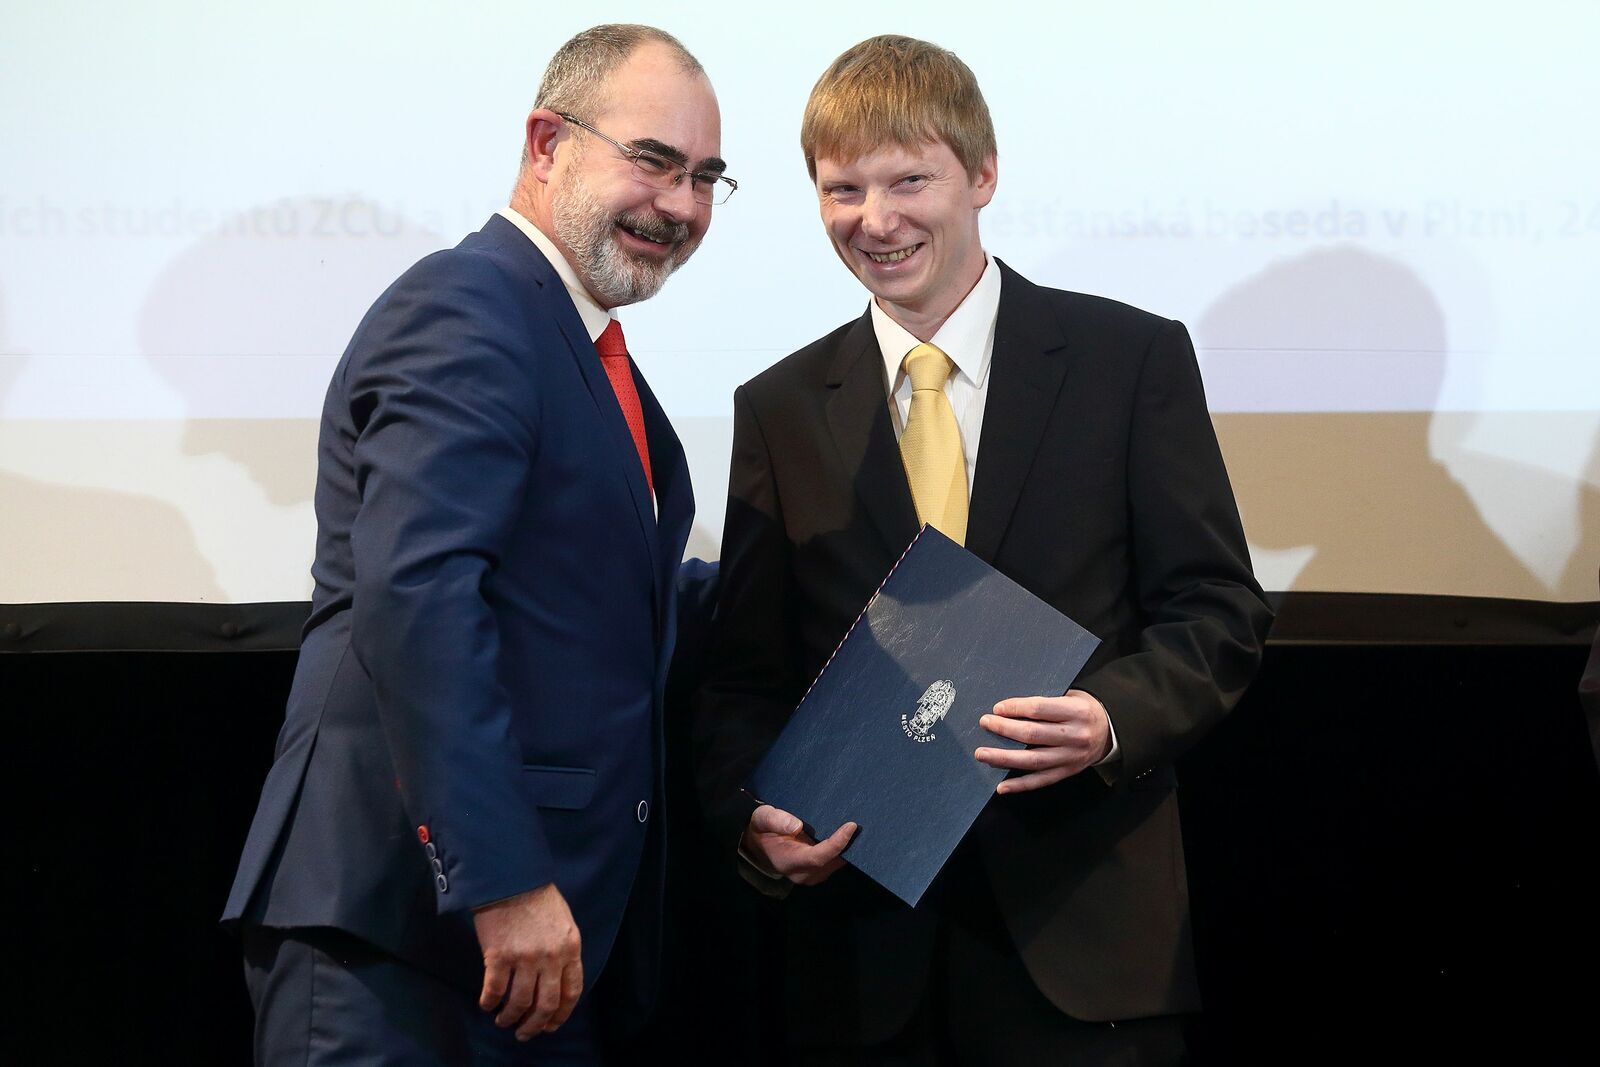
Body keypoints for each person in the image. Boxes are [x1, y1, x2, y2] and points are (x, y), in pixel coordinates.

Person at [693, 35, 1272, 1064]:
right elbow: (744, 676)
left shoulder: (1127, 359)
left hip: (1086, 948)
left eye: (908, 180)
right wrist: (753, 818)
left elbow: (1218, 609)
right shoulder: (779, 407)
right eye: (842, 189)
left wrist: (1109, 719)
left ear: (983, 173)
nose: (875, 220)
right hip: (863, 963)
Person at [222, 24, 731, 1064]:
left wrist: (818, 581)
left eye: (705, 177)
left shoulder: (575, 341)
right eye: (653, 161)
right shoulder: (469, 305)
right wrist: (499, 874)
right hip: (409, 945)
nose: (681, 206)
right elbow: (420, 595)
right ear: (547, 142)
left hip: (524, 959)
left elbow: (591, 597)